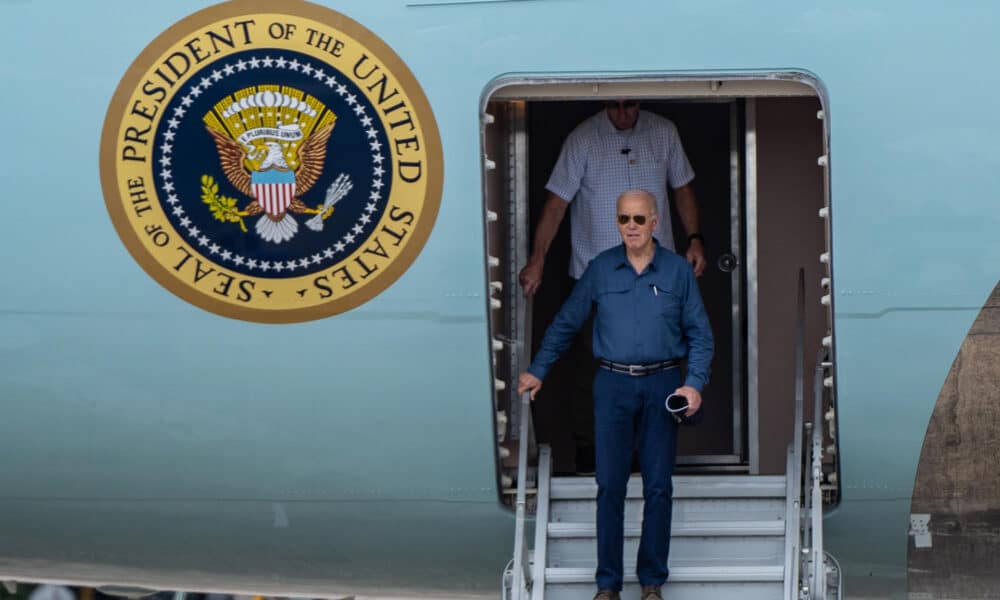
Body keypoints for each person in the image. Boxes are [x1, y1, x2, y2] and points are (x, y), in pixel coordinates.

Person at [517, 190, 714, 600]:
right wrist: (538, 371)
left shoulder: (677, 272)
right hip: (613, 386)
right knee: (610, 485)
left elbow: (701, 334)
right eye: (624, 219)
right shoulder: (601, 269)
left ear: (656, 222)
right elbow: (567, 322)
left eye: (640, 219)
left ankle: (651, 583)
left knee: (658, 485)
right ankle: (607, 585)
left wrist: (693, 383)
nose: (631, 227)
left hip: (663, 384)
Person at [519, 99, 705, 474]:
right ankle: (592, 452)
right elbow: (556, 205)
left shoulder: (664, 132)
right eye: (615, 107)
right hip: (597, 271)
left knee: (657, 360)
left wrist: (695, 238)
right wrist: (538, 258)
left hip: (656, 271)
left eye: (630, 106)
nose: (623, 114)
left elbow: (683, 189)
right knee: (597, 366)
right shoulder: (583, 138)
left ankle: (649, 451)